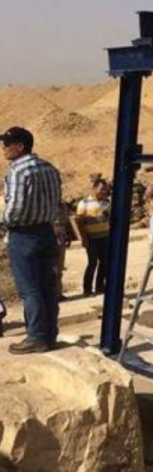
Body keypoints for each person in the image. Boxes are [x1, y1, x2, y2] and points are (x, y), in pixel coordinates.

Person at [1, 126, 62, 354]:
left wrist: (3, 219)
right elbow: (57, 201)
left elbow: (15, 209)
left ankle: (36, 336)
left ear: (20, 146)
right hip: (46, 231)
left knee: (30, 290)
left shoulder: (18, 171)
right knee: (47, 286)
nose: (4, 149)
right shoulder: (50, 168)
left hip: (24, 234)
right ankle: (50, 334)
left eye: (7, 144)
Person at [75, 177, 111, 296]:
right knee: (92, 263)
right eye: (101, 189)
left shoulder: (107, 203)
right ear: (94, 188)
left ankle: (100, 287)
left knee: (105, 262)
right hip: (92, 239)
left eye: (105, 189)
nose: (104, 192)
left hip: (105, 237)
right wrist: (84, 238)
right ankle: (87, 289)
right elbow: (79, 221)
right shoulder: (84, 203)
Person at [53, 199, 72, 300]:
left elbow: (66, 222)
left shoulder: (63, 205)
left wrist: (68, 236)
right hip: (50, 238)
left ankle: (58, 293)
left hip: (61, 238)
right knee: (52, 269)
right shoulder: (47, 203)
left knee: (60, 267)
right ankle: (51, 294)